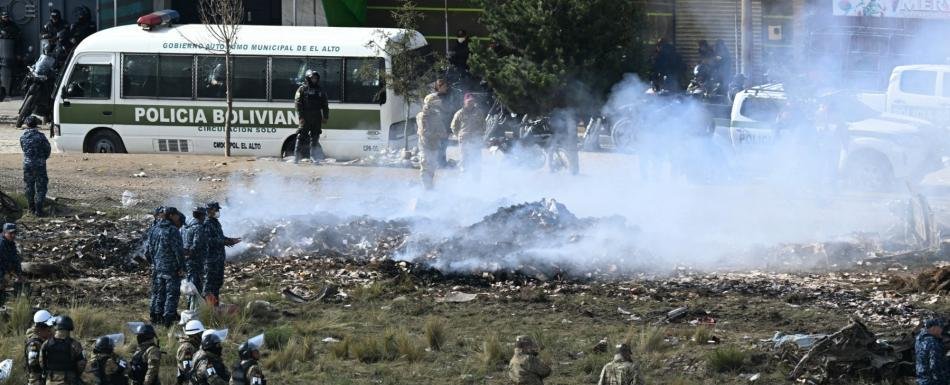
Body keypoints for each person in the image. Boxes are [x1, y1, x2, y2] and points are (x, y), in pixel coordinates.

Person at [147, 206, 184, 327]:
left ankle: (157, 317)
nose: (178, 216)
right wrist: (181, 267)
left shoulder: (154, 229)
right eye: (176, 214)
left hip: (158, 267)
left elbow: (150, 249)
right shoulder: (172, 230)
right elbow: (178, 251)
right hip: (171, 268)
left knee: (159, 292)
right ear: (172, 216)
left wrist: (155, 263)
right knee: (171, 294)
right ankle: (168, 319)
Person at [203, 202, 240, 307]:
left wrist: (230, 240)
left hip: (218, 259)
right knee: (209, 285)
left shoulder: (215, 222)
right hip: (210, 260)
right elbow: (207, 240)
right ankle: (208, 309)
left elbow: (220, 237)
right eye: (215, 209)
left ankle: (215, 306)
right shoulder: (206, 223)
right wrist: (224, 242)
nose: (217, 212)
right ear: (209, 210)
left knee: (217, 283)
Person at [417, 80, 451, 190]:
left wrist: (442, 134)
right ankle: (425, 189)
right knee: (425, 166)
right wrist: (438, 135)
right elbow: (424, 132)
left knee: (432, 167)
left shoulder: (436, 116)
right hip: (425, 145)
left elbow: (442, 130)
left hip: (434, 145)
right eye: (435, 104)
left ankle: (430, 187)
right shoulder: (422, 116)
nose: (438, 105)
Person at [293, 69, 330, 164]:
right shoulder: (302, 89)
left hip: (317, 116)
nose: (314, 79)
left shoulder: (320, 90)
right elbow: (297, 104)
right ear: (308, 78)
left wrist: (325, 116)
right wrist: (301, 117)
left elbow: (325, 104)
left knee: (315, 137)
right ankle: (296, 157)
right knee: (301, 136)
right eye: (312, 78)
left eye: (316, 78)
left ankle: (313, 157)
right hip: (305, 116)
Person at [39, 315, 86, 385]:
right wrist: (75, 374)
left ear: (56, 327)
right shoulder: (75, 344)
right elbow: (81, 364)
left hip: (51, 380)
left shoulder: (46, 343)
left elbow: (41, 362)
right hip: (69, 380)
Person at [20, 115, 52, 216]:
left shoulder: (23, 137)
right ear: (36, 124)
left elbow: (24, 149)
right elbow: (48, 150)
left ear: (27, 125)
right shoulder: (41, 136)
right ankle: (39, 210)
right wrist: (42, 158)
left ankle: (31, 208)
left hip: (27, 164)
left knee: (29, 186)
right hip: (39, 164)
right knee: (41, 186)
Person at [450, 93, 486, 179]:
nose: (471, 103)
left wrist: (479, 134)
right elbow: (453, 126)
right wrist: (459, 135)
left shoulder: (479, 112)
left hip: (476, 141)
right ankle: (464, 181)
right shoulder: (459, 113)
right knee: (464, 161)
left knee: (476, 160)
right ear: (465, 101)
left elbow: (483, 125)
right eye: (469, 101)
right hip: (464, 141)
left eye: (472, 101)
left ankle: (476, 181)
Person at [182, 206, 208, 310]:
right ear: (201, 215)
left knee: (190, 282)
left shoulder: (187, 226)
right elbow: (197, 244)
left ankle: (191, 306)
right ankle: (194, 309)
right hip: (196, 260)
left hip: (188, 259)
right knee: (196, 284)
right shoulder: (198, 227)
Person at [25, 310, 54, 385]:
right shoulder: (34, 345)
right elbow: (34, 373)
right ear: (41, 327)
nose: (50, 329)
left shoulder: (42, 337)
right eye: (48, 327)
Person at [916, 318, 949, 385]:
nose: (942, 330)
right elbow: (935, 366)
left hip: (922, 377)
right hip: (932, 381)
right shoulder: (933, 343)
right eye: (940, 327)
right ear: (933, 327)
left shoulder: (919, 337)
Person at [0, 223, 23, 306]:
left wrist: (19, 274)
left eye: (14, 233)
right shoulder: (1, 244)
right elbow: (3, 262)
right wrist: (6, 273)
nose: (13, 235)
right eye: (10, 233)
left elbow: (15, 260)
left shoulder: (10, 243)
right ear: (4, 232)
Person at [177, 320, 205, 385]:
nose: (202, 335)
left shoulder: (193, 345)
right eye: (200, 333)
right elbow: (187, 371)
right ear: (195, 335)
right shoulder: (187, 348)